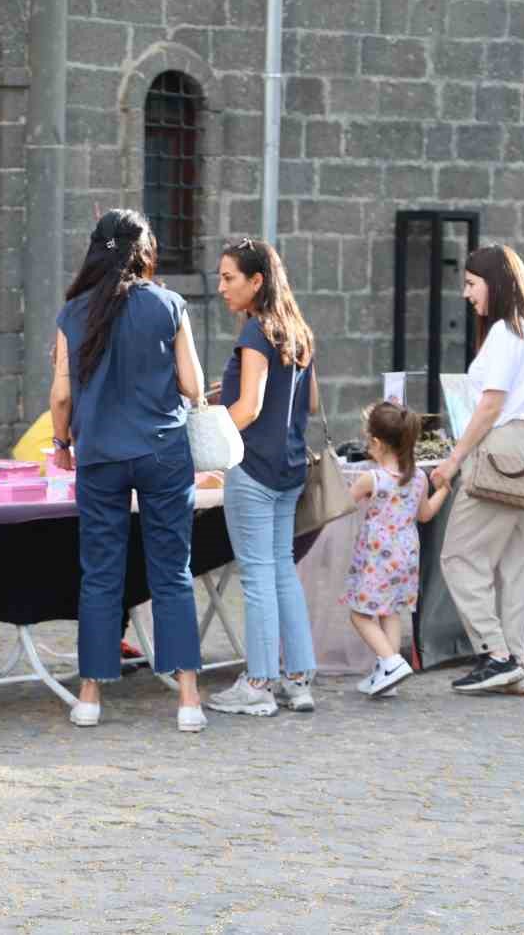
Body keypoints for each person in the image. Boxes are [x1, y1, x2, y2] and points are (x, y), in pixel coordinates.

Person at [51, 209, 207, 733]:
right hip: (163, 451)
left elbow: (61, 395)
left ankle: (90, 695)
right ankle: (188, 699)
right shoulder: (168, 304)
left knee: (100, 572)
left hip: (99, 454)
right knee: (172, 570)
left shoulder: (73, 313)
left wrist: (61, 444)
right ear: (145, 252)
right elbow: (193, 385)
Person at [431, 245, 524, 696]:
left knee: (459, 556)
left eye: (471, 283)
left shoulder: (507, 332)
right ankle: (511, 661)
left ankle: (495, 654)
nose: (466, 294)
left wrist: (453, 460)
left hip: (504, 453)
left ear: (495, 282)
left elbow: (490, 405)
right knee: (515, 562)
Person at [205, 237, 322, 717]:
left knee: (256, 575)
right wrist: (232, 391)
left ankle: (257, 683)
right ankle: (298, 679)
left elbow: (249, 410)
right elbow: (309, 401)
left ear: (256, 281)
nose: (221, 287)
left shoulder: (255, 333)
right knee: (281, 570)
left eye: (228, 277)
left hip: (253, 467)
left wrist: (205, 434)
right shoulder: (297, 330)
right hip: (290, 467)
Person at [343, 401, 450, 697]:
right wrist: (443, 489)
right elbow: (425, 514)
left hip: (378, 557)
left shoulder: (372, 478)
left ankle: (391, 662)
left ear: (377, 443)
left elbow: (343, 505)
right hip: (406, 556)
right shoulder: (418, 478)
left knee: (360, 615)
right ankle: (387, 675)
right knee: (389, 612)